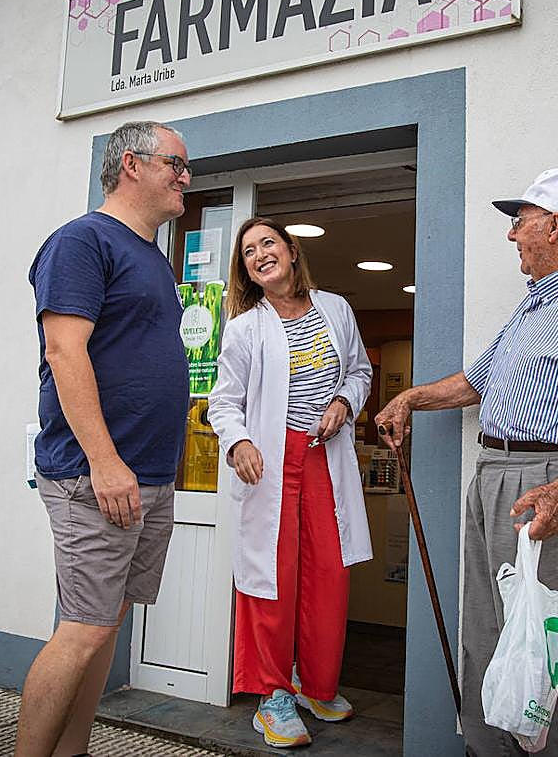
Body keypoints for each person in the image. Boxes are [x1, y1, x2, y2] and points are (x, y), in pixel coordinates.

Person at [375, 168, 558, 756]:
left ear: (555, 225)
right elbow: (474, 383)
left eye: (520, 222)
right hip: (494, 477)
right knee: (487, 637)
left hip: (548, 484)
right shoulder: (533, 307)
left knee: (547, 649)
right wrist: (410, 397)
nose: (512, 236)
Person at [16, 121, 192, 757]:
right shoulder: (82, 241)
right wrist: (105, 461)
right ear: (131, 165)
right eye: (175, 163)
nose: (185, 177)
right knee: (82, 630)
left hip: (146, 476)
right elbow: (65, 351)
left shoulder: (151, 256)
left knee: (106, 623)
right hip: (96, 477)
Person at [208, 217, 373, 749]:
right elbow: (223, 402)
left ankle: (315, 684)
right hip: (272, 464)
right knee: (271, 579)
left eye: (268, 243)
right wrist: (239, 443)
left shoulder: (336, 309)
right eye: (249, 251)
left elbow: (360, 371)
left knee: (328, 574)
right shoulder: (244, 328)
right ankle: (272, 696)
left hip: (325, 457)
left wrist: (345, 403)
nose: (259, 254)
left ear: (292, 251)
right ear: (247, 270)